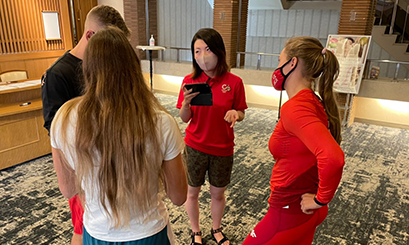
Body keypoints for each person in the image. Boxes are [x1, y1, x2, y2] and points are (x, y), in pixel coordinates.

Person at [50, 26, 188, 244]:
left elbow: (68, 189)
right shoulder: (160, 121)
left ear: (87, 69)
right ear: (133, 67)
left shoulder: (64, 119)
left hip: (96, 233)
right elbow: (179, 197)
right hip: (149, 234)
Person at [41, 5, 130, 245]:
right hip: (82, 167)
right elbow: (56, 133)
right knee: (82, 227)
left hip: (112, 160)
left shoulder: (105, 69)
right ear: (90, 36)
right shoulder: (58, 75)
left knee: (115, 224)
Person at [242, 36, 345, 245]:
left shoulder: (295, 108)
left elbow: (333, 157)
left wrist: (320, 199)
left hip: (289, 211)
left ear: (292, 63)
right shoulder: (312, 101)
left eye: (280, 61)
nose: (277, 68)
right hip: (302, 208)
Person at [177, 28, 248, 245]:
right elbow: (184, 118)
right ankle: (196, 231)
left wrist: (237, 113)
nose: (203, 56)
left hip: (222, 148)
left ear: (219, 51)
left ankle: (216, 229)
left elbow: (242, 112)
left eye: (207, 49)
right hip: (195, 146)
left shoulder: (234, 82)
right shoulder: (190, 81)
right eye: (197, 51)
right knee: (192, 193)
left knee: (218, 194)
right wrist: (187, 103)